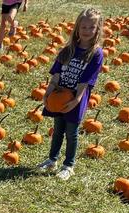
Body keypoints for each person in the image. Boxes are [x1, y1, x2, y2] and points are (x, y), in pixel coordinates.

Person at [38, 8, 104, 180]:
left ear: (98, 29)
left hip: (75, 97)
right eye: (84, 27)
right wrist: (48, 93)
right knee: (58, 129)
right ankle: (52, 160)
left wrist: (77, 99)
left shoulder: (96, 53)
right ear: (77, 28)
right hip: (59, 95)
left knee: (71, 132)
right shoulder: (68, 49)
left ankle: (69, 165)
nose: (87, 31)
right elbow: (56, 74)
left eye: (92, 27)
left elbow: (87, 80)